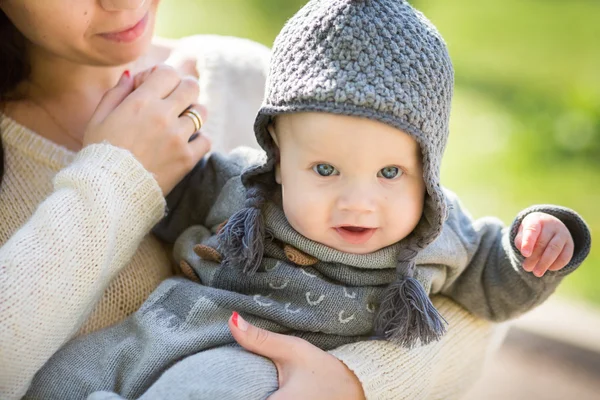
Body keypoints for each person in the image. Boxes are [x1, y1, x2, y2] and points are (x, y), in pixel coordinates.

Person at [22, 0, 592, 399]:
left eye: (392, 172)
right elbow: (165, 195)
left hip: (257, 364)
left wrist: (535, 244)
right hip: (170, 325)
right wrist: (117, 168)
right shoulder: (242, 184)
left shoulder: (436, 232)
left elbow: (491, 286)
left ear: (428, 171)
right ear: (276, 157)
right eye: (324, 170)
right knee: (60, 380)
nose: (358, 203)